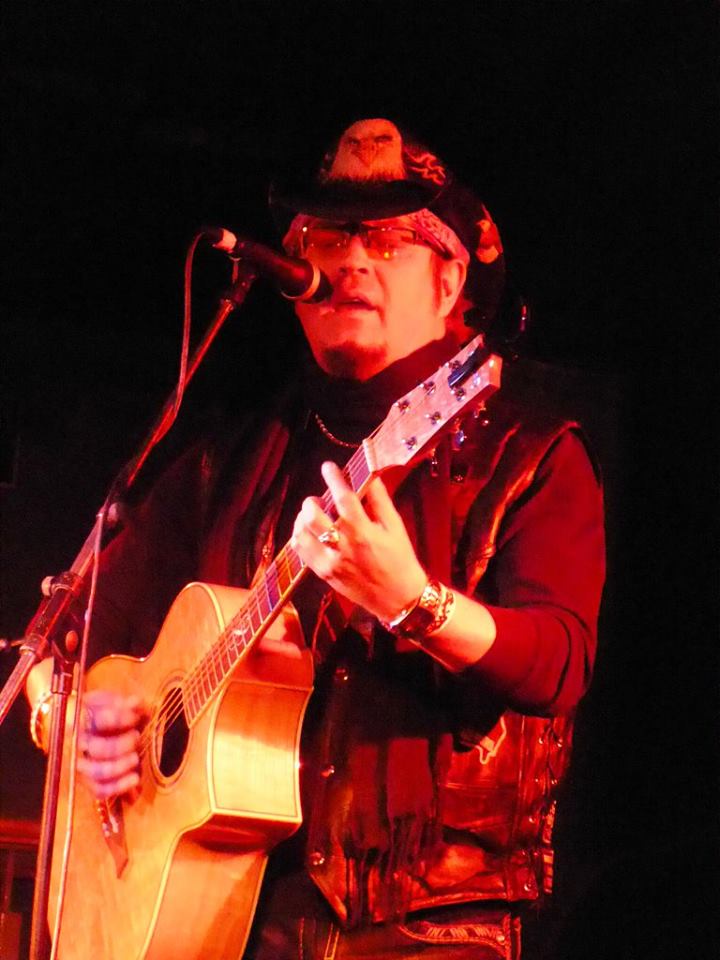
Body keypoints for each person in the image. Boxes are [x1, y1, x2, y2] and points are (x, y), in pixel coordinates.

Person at [26, 118, 605, 959]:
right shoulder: (226, 465)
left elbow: (560, 661)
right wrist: (71, 715)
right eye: (327, 238)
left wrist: (414, 602)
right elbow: (65, 636)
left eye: (390, 240)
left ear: (451, 283)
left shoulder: (530, 457)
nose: (352, 259)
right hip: (229, 919)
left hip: (430, 926)